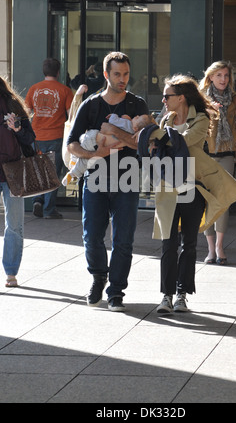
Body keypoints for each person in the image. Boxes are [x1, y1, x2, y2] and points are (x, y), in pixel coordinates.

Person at [138, 74, 236, 313]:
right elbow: (157, 144)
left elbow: (183, 142)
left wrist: (154, 134)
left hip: (194, 187)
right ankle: (166, 296)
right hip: (167, 188)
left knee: (188, 243)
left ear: (181, 98)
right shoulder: (166, 119)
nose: (163, 100)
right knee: (168, 243)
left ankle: (181, 295)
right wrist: (157, 136)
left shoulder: (201, 119)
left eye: (167, 96)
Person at [67, 51, 149, 312]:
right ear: (106, 75)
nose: (123, 78)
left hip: (127, 176)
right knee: (91, 236)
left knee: (123, 239)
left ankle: (116, 291)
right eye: (117, 74)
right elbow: (71, 145)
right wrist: (94, 153)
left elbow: (142, 143)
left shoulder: (137, 105)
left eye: (126, 73)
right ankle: (98, 277)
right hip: (96, 177)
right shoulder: (90, 105)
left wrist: (114, 132)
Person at [199, 60, 236, 265]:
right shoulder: (200, 99)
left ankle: (220, 245)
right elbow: (194, 124)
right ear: (210, 77)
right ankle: (210, 249)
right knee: (207, 201)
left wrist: (235, 135)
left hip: (227, 153)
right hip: (205, 154)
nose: (223, 79)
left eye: (226, 76)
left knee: (223, 201)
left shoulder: (235, 99)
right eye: (219, 75)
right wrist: (210, 112)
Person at [0, 70, 35, 288]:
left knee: (14, 225)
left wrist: (16, 128)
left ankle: (10, 271)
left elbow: (30, 137)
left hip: (13, 172)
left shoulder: (12, 105)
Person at [25, 58, 74, 219]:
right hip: (56, 137)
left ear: (44, 71)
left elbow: (26, 112)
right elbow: (72, 115)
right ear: (58, 72)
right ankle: (48, 209)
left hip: (37, 137)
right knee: (52, 173)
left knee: (38, 171)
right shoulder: (65, 90)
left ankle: (37, 200)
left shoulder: (34, 89)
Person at [62, 113, 153, 186]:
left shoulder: (127, 124)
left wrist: (114, 116)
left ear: (135, 128)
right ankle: (73, 173)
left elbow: (114, 121)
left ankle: (73, 168)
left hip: (93, 137)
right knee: (84, 161)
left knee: (81, 153)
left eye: (138, 118)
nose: (136, 116)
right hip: (94, 142)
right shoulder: (133, 136)